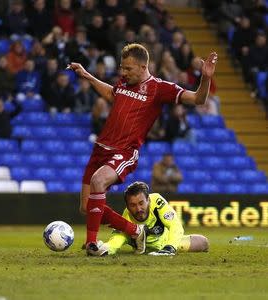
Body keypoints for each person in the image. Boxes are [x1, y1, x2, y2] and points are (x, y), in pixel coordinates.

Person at [67, 43, 217, 256]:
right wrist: (88, 76)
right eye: (122, 67)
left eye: (128, 68)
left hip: (124, 151)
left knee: (98, 181)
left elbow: (198, 99)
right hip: (100, 149)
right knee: (86, 206)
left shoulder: (159, 88)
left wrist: (206, 78)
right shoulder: (125, 84)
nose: (123, 72)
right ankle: (135, 231)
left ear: (143, 66)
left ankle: (91, 243)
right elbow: (112, 94)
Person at [104, 181, 209, 255]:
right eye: (133, 205)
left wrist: (170, 247)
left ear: (148, 200)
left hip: (166, 242)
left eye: (141, 203)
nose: (138, 208)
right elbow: (117, 240)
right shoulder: (126, 217)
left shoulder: (157, 202)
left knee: (203, 242)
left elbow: (175, 225)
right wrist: (106, 249)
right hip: (144, 250)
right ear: (127, 206)